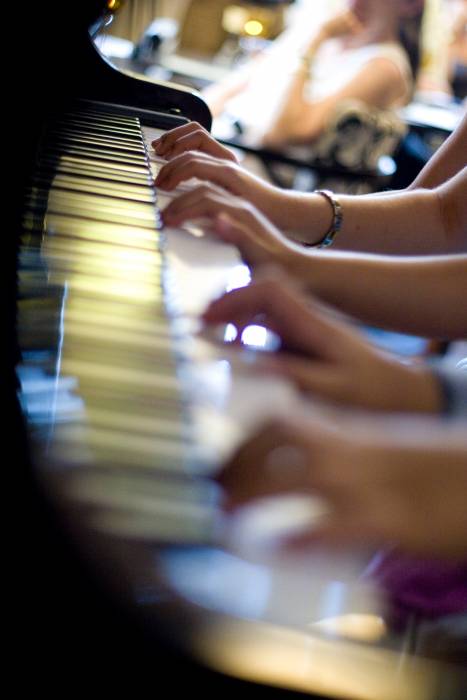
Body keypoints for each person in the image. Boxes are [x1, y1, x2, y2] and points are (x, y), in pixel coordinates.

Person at [201, 0, 425, 147]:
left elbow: (282, 134)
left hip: (262, 177)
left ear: (411, 5)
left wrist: (315, 41)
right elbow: (228, 90)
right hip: (223, 141)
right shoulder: (319, 32)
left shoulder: (385, 68)